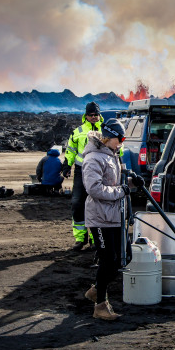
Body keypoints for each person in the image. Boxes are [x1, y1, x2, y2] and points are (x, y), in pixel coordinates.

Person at [81, 118, 130, 320]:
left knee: (123, 257)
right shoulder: (93, 158)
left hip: (114, 216)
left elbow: (113, 180)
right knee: (108, 261)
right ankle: (100, 305)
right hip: (100, 217)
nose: (122, 142)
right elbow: (94, 188)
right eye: (120, 138)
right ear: (108, 136)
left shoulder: (112, 155)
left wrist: (130, 179)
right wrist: (120, 191)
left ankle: (96, 290)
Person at [64, 102, 104, 251]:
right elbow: (71, 150)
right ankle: (80, 238)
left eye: (96, 114)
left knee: (96, 205)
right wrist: (67, 165)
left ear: (99, 115)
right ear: (86, 116)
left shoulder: (106, 131)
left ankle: (95, 238)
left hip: (100, 172)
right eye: (91, 115)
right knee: (77, 204)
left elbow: (117, 149)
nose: (93, 117)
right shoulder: (78, 131)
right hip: (81, 171)